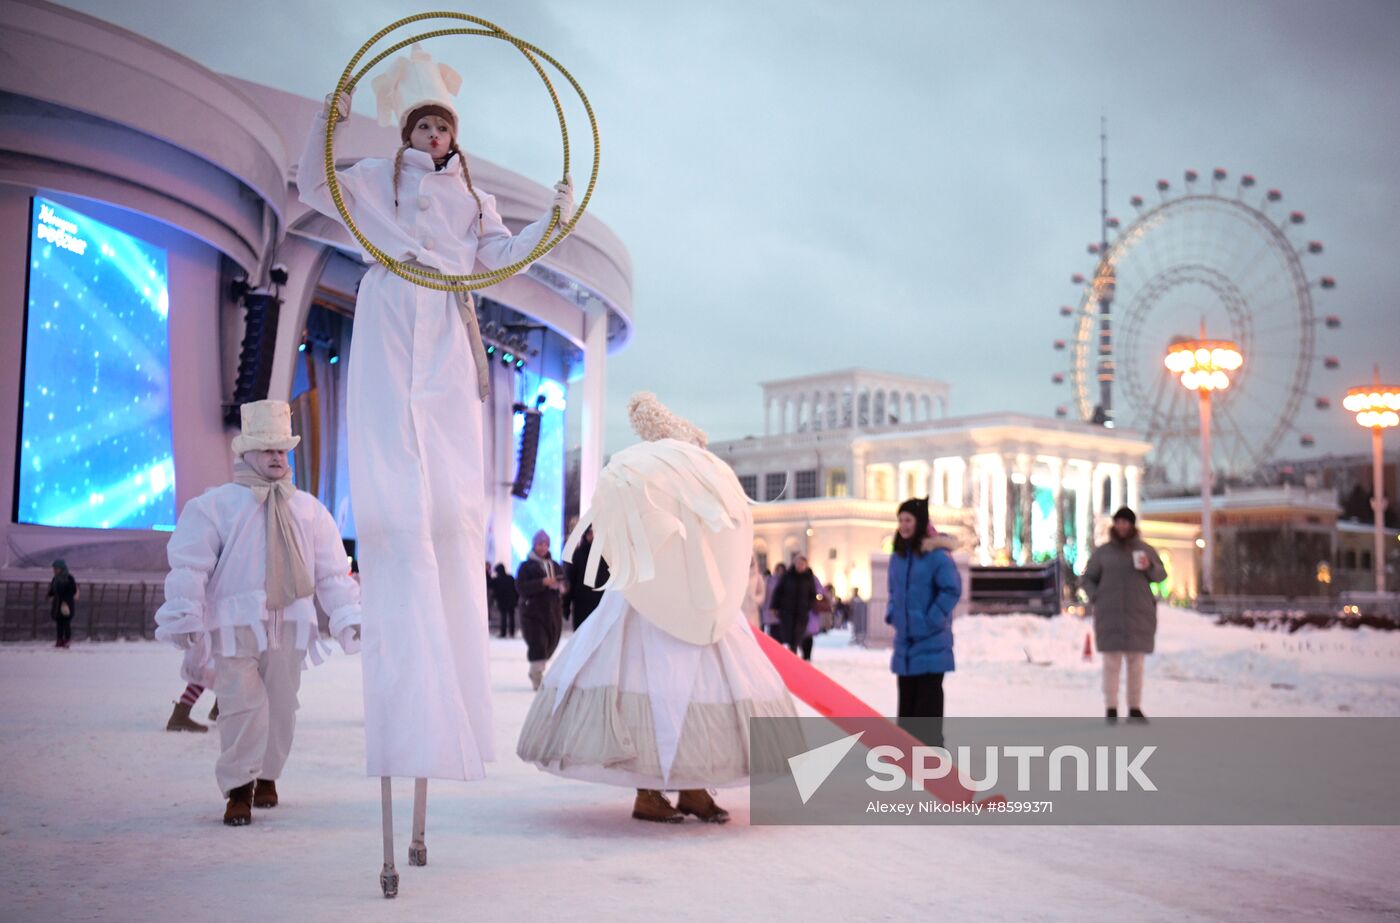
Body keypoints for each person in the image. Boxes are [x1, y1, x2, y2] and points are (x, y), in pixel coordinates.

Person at [297, 45, 572, 792]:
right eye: (422, 127)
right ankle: (397, 631)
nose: (432, 139)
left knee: (450, 496)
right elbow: (310, 179)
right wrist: (335, 114)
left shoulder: (475, 201)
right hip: (391, 313)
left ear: (454, 135)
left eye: (442, 129)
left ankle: (452, 673)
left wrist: (551, 218)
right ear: (408, 132)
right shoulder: (372, 183)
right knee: (393, 478)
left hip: (448, 326)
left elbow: (503, 257)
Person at [517, 393, 798, 824]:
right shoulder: (645, 478)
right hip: (646, 600)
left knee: (695, 686)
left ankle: (691, 786)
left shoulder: (696, 484)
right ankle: (650, 791)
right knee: (649, 684)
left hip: (697, 600)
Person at [154, 400, 362, 826]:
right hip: (234, 626)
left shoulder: (307, 509)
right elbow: (191, 564)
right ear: (246, 453)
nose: (276, 457)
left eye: (281, 450)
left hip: (290, 624)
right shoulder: (215, 506)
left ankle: (268, 775)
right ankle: (238, 788)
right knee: (240, 705)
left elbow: (332, 572)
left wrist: (346, 616)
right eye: (267, 449)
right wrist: (184, 613)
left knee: (282, 705)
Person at [1081, 506, 1167, 724]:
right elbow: (1087, 578)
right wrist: (1096, 596)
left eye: (1126, 522)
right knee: (1111, 663)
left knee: (1136, 663)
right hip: (1110, 615)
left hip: (1139, 615)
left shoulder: (1145, 550)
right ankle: (1111, 706)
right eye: (1118, 522)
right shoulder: (1103, 553)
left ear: (1132, 525)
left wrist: (1150, 567)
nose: (1122, 526)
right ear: (1114, 524)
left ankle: (1134, 707)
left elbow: (1160, 575)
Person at [886, 498, 960, 746]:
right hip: (905, 643)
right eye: (900, 520)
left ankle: (932, 754)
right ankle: (906, 753)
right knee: (907, 704)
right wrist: (892, 613)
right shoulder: (897, 556)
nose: (903, 525)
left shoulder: (937, 557)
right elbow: (893, 591)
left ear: (919, 522)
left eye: (908, 520)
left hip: (931, 641)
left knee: (927, 706)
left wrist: (931, 619)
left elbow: (951, 590)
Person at [517, 530, 566, 690]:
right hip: (533, 613)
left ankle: (538, 670)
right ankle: (536, 674)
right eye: (539, 544)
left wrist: (561, 586)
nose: (542, 547)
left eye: (545, 544)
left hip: (552, 613)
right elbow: (521, 587)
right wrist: (542, 582)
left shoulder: (555, 565)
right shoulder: (526, 567)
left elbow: (565, 583)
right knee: (538, 643)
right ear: (534, 545)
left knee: (550, 644)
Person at [770, 556, 818, 657]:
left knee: (798, 635)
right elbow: (778, 591)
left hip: (802, 612)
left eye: (802, 564)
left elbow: (813, 594)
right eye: (798, 563)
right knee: (788, 635)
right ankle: (792, 653)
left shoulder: (809, 578)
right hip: (787, 611)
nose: (800, 566)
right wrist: (774, 606)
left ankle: (794, 653)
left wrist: (808, 605)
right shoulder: (787, 576)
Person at [568, 526, 608, 630]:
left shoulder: (606, 555)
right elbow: (571, 580)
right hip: (582, 605)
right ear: (585, 535)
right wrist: (566, 605)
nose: (593, 536)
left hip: (601, 604)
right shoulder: (578, 554)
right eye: (590, 533)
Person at [47, 559, 77, 649]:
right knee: (59, 623)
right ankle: (59, 640)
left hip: (66, 605)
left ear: (62, 569)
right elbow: (52, 590)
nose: (55, 571)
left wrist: (65, 598)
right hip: (57, 604)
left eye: (56, 569)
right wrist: (49, 594)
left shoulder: (69, 578)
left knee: (66, 623)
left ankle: (67, 640)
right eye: (54, 569)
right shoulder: (55, 579)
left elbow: (73, 590)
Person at [492, 563, 518, 639]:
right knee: (511, 616)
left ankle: (503, 633)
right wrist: (516, 599)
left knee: (504, 617)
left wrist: (495, 599)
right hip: (511, 600)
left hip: (502, 601)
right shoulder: (510, 578)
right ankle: (512, 632)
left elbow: (495, 591)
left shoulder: (497, 580)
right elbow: (515, 589)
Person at [762, 563, 786, 639]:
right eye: (778, 569)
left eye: (781, 570)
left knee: (779, 631)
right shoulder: (769, 580)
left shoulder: (786, 580)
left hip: (782, 609)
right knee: (773, 630)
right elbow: (765, 593)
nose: (780, 572)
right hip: (771, 608)